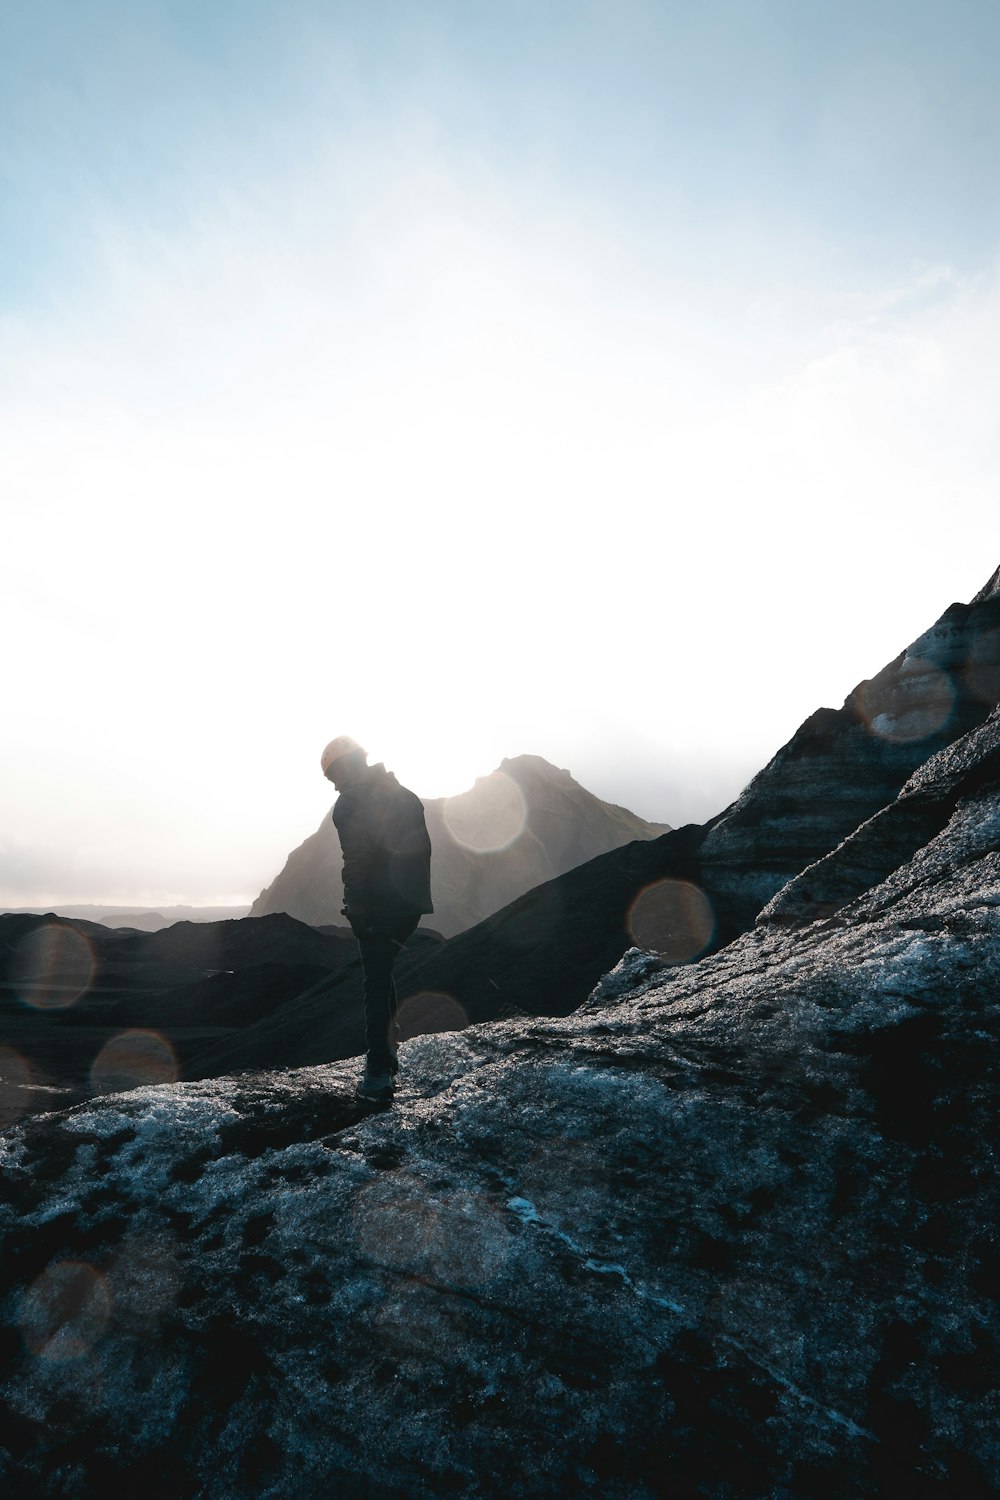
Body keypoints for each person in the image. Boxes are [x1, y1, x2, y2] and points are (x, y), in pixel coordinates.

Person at [321, 736, 433, 1102]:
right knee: (383, 972)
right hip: (411, 906)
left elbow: (357, 862)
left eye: (332, 776)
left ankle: (378, 1072)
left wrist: (356, 908)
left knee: (373, 982)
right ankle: (390, 1048)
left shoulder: (350, 802)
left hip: (380, 907)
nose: (334, 785)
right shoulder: (405, 795)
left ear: (343, 767)